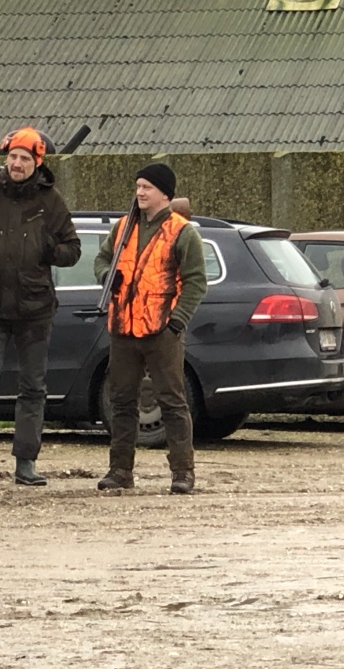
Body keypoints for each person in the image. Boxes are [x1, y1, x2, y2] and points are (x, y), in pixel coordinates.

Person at [0, 127, 81, 490]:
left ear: (37, 163)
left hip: (35, 310)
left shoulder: (50, 201)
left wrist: (47, 248)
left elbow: (73, 250)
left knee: (33, 388)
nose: (17, 164)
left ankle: (26, 464)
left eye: (24, 158)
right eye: (12, 157)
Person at [93, 163, 207, 494]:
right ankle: (120, 470)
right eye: (138, 186)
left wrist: (177, 322)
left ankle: (182, 472)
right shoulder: (123, 227)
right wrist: (106, 276)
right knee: (121, 401)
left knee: (172, 402)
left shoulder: (182, 231)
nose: (140, 192)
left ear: (164, 194)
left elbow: (196, 281)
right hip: (123, 328)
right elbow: (101, 260)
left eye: (147, 187)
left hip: (161, 330)